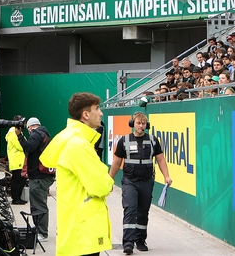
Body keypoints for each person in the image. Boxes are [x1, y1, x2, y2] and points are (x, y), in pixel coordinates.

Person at [40, 93, 113, 256]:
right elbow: (101, 186)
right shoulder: (78, 144)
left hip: (76, 230)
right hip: (83, 232)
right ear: (85, 114)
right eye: (97, 108)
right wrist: (107, 179)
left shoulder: (74, 140)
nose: (101, 113)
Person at [108, 112, 172, 254]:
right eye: (138, 123)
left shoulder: (153, 141)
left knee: (143, 212)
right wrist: (109, 180)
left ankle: (140, 240)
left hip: (147, 182)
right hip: (130, 182)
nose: (141, 126)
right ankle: (128, 243)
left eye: (143, 123)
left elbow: (161, 160)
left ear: (146, 125)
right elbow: (117, 162)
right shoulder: (124, 141)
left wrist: (166, 176)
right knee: (130, 210)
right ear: (132, 124)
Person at [21, 117, 54, 240]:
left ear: (30, 127)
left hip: (39, 175)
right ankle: (40, 230)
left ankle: (42, 232)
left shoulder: (36, 134)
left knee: (39, 205)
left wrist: (19, 137)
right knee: (38, 203)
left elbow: (29, 147)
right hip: (43, 174)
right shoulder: (44, 133)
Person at [6, 117, 26, 204]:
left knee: (20, 180)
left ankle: (18, 197)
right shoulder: (13, 133)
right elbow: (21, 146)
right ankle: (16, 198)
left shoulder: (15, 132)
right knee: (17, 180)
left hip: (19, 160)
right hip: (17, 160)